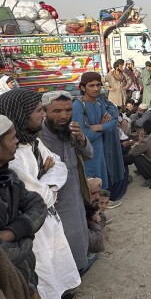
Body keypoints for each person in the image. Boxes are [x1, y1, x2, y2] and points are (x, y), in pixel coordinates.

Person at [0, 89, 81, 298]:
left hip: (49, 221)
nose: (43, 115)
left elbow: (59, 166)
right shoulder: (13, 157)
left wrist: (46, 182)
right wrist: (46, 179)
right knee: (41, 278)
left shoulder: (32, 141)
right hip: (33, 230)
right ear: (21, 112)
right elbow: (38, 197)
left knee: (56, 271)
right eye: (38, 110)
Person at [39, 91, 92, 272]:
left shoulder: (71, 130)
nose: (64, 116)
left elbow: (89, 154)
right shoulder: (38, 138)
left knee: (79, 237)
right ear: (44, 111)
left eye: (68, 110)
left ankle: (80, 268)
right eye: (57, 111)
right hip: (55, 203)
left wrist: (81, 138)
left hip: (75, 195)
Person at [0, 115, 48, 298]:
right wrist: (24, 241)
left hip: (25, 275)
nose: (18, 140)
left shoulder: (8, 177)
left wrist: (12, 233)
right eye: (12, 137)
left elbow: (38, 205)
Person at [72, 72, 128, 203]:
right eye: (91, 85)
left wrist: (98, 127)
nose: (96, 88)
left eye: (98, 85)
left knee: (103, 181)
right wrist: (103, 127)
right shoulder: (78, 106)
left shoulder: (99, 103)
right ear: (83, 88)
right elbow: (84, 136)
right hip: (89, 154)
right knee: (92, 185)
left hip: (102, 150)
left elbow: (113, 122)